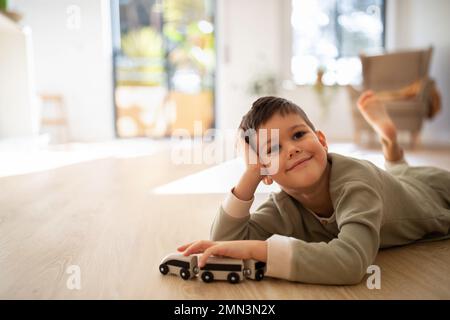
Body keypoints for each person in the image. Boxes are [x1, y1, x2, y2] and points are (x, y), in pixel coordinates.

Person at [177, 91, 450, 285]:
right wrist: (249, 176)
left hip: (435, 191)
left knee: (404, 178)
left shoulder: (356, 183)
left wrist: (257, 250)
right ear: (265, 171)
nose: (293, 149)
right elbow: (227, 239)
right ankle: (392, 148)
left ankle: (391, 147)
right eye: (273, 149)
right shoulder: (284, 208)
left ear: (321, 140)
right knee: (398, 175)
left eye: (298, 135)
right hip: (396, 184)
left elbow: (351, 263)